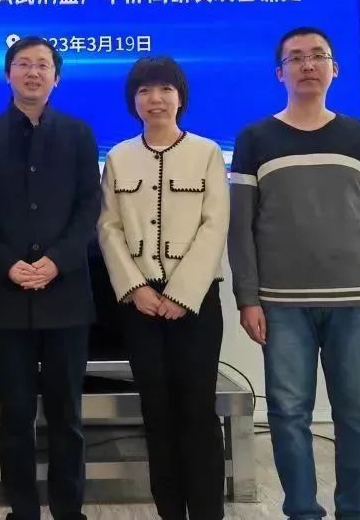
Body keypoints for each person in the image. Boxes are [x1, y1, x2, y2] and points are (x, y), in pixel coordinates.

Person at [227, 27, 360, 520]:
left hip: (354, 299)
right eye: (296, 58)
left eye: (318, 56)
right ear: (279, 73)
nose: (307, 65)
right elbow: (241, 228)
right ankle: (301, 511)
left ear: (334, 69)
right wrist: (248, 297)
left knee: (358, 414)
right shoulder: (255, 139)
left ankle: (356, 511)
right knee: (287, 414)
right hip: (281, 303)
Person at [0, 36, 102, 520]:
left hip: (66, 297)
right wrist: (6, 263)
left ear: (56, 77)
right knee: (15, 418)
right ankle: (22, 511)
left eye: (43, 65)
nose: (33, 72)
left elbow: (89, 208)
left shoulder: (79, 134)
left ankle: (69, 511)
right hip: (6, 298)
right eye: (23, 64)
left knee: (68, 417)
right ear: (8, 74)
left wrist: (58, 260)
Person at [97, 57, 229, 520]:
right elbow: (108, 227)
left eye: (165, 90)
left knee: (198, 411)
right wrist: (135, 288)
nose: (155, 99)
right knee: (156, 413)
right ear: (133, 101)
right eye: (145, 91)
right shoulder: (118, 156)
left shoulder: (207, 152)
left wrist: (181, 294)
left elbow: (215, 225)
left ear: (180, 97)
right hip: (140, 303)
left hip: (195, 302)